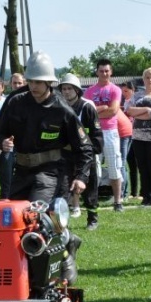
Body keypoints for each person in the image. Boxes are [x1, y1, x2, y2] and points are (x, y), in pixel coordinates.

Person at [0, 51, 92, 282]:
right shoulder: (16, 102)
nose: (33, 86)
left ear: (49, 82)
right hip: (21, 171)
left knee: (38, 220)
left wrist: (81, 177)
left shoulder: (63, 110)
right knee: (12, 220)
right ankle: (27, 263)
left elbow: (85, 147)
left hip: (51, 173)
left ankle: (64, 259)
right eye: (31, 81)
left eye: (38, 82)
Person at [58, 73, 102, 229]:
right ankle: (61, 222)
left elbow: (96, 134)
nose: (66, 92)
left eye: (69, 88)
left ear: (77, 90)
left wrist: (92, 150)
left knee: (90, 188)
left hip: (86, 155)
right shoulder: (59, 107)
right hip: (66, 155)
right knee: (63, 188)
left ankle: (92, 219)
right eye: (64, 89)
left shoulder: (87, 107)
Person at [84, 58, 123, 211]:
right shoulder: (89, 91)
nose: (104, 73)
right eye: (101, 71)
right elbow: (87, 113)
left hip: (110, 132)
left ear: (111, 72)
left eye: (107, 71)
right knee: (95, 168)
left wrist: (96, 111)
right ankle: (93, 200)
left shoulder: (115, 90)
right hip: (94, 133)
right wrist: (103, 108)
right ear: (97, 72)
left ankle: (118, 201)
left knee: (114, 167)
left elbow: (113, 110)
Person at [124, 67, 151, 206]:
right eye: (147, 77)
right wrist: (147, 110)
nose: (150, 80)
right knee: (142, 168)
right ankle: (145, 195)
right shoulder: (136, 95)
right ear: (143, 79)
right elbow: (129, 111)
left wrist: (141, 113)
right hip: (137, 137)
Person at [115, 82, 134, 201]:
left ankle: (122, 194)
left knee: (121, 163)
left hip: (124, 133)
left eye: (126, 91)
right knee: (122, 162)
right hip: (126, 131)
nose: (123, 94)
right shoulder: (119, 103)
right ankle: (124, 192)